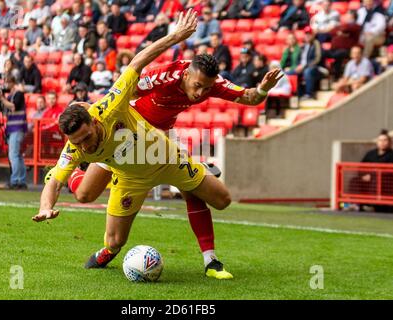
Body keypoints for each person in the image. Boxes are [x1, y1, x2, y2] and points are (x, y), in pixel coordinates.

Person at [41, 11, 282, 279]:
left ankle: (210, 261)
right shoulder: (162, 78)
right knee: (85, 195)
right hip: (122, 137)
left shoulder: (211, 84)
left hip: (158, 145)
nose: (201, 93)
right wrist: (174, 37)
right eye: (198, 86)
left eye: (207, 88)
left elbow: (249, 97)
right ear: (187, 74)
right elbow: (131, 79)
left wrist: (262, 90)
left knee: (208, 195)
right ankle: (108, 243)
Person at [0, 76, 27, 190]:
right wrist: (0, 100)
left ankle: (15, 181)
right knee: (17, 155)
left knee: (13, 155)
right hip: (13, 128)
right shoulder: (10, 96)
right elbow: (6, 109)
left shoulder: (18, 94)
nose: (6, 85)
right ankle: (21, 180)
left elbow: (13, 107)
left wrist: (1, 98)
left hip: (17, 128)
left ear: (13, 83)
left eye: (8, 83)